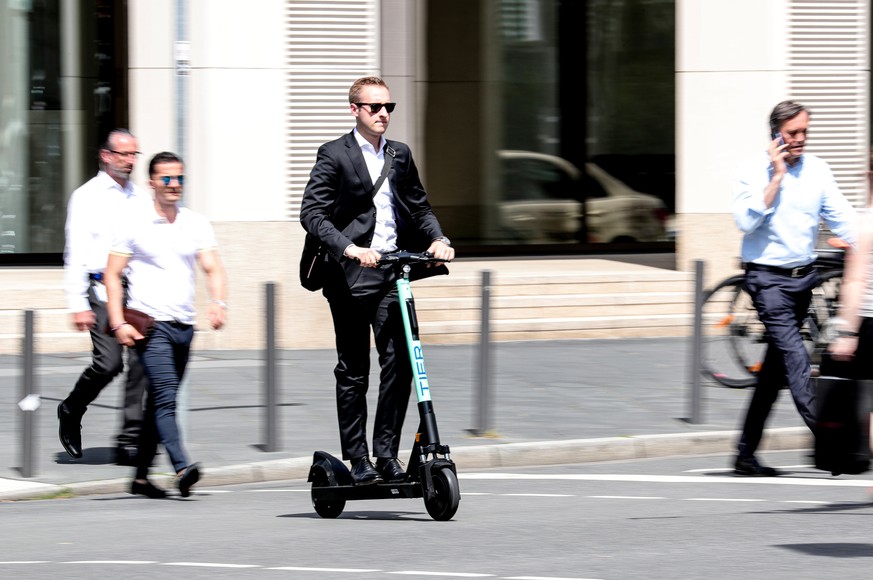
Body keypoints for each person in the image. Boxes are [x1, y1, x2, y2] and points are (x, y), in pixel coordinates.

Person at [300, 76, 455, 485]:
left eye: (389, 107)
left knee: (402, 362)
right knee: (354, 370)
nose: (384, 114)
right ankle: (359, 460)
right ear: (355, 110)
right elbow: (312, 215)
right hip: (350, 276)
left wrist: (438, 238)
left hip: (392, 273)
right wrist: (349, 249)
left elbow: (419, 207)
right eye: (375, 107)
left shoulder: (399, 155)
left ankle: (386, 454)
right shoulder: (334, 154)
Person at [732, 100, 856, 476]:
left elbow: (843, 218)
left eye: (804, 131)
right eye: (792, 133)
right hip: (767, 280)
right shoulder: (752, 170)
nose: (800, 139)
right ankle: (835, 446)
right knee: (797, 361)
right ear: (775, 135)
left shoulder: (819, 170)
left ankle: (744, 454)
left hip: (803, 279)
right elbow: (745, 221)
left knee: (774, 372)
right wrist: (776, 177)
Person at [105, 151, 227, 498]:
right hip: (151, 326)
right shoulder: (133, 221)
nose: (174, 185)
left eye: (180, 179)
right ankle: (182, 466)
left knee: (161, 401)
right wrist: (117, 322)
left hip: (184, 326)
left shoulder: (195, 222)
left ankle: (141, 478)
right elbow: (112, 276)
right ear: (152, 183)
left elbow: (213, 268)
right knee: (165, 397)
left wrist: (218, 303)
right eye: (167, 179)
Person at [60, 128, 150, 465]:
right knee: (108, 363)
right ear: (106, 155)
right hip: (99, 288)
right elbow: (74, 252)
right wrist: (77, 303)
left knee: (142, 363)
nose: (129, 161)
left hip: (137, 291)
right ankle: (71, 409)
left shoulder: (142, 198)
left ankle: (129, 438)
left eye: (134, 155)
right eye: (124, 154)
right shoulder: (86, 196)